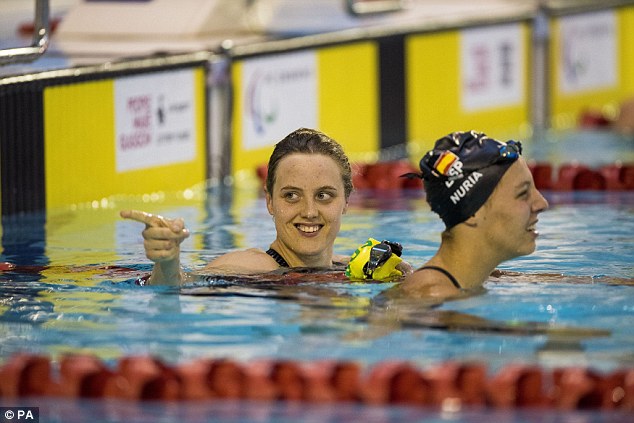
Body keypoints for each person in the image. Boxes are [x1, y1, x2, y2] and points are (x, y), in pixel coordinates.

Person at [121, 127, 411, 286]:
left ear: (346, 201)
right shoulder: (250, 267)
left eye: (323, 196)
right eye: (291, 196)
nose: (309, 211)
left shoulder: (355, 267)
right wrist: (167, 262)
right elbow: (178, 288)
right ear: (270, 202)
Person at [392, 130, 550, 301]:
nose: (542, 203)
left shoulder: (468, 280)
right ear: (473, 211)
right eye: (523, 193)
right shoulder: (431, 296)